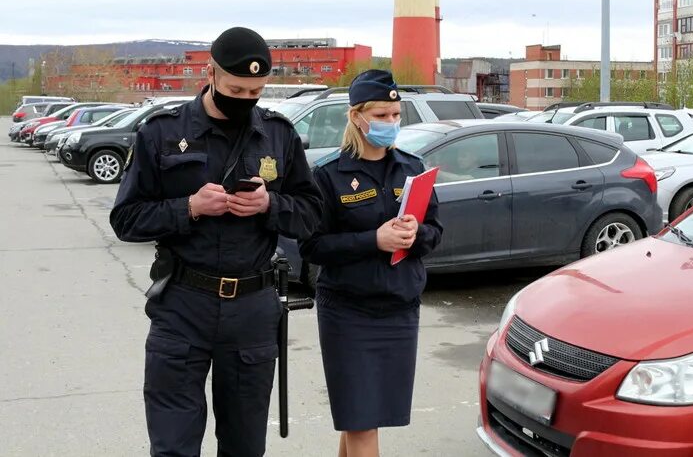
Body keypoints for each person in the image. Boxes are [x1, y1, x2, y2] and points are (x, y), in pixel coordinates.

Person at [109, 26, 323, 457]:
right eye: (236, 88)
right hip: (183, 304)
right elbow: (125, 219)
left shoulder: (279, 134)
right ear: (210, 73)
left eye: (256, 90)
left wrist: (270, 205)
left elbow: (312, 214)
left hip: (253, 308)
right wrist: (188, 206)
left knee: (244, 446)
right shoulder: (162, 133)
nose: (246, 98)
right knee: (173, 445)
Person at [299, 69, 443, 457]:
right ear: (356, 117)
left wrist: (416, 236)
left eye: (396, 115)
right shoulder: (328, 175)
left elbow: (435, 231)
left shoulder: (412, 168)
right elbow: (311, 246)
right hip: (349, 312)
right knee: (361, 420)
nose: (390, 124)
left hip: (399, 308)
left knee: (362, 419)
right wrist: (373, 240)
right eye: (381, 116)